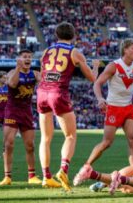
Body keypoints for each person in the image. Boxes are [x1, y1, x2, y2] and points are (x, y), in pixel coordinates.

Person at [74, 38, 133, 186]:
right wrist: (100, 99)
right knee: (107, 143)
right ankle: (85, 167)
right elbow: (97, 83)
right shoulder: (114, 66)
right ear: (125, 50)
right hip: (113, 107)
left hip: (128, 108)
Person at [37, 22, 99, 191]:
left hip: (42, 92)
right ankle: (63, 170)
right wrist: (95, 66)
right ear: (73, 36)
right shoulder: (74, 52)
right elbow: (93, 78)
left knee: (45, 138)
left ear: (56, 35)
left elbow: (43, 72)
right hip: (58, 93)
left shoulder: (46, 51)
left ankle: (46, 177)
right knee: (70, 135)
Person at [0, 49, 42, 186]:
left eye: (29, 57)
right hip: (12, 111)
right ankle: (7, 177)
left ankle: (32, 176)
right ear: (19, 59)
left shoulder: (35, 73)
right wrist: (18, 68)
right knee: (9, 144)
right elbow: (12, 84)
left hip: (27, 111)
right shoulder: (12, 72)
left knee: (30, 146)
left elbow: (44, 84)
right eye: (24, 57)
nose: (27, 59)